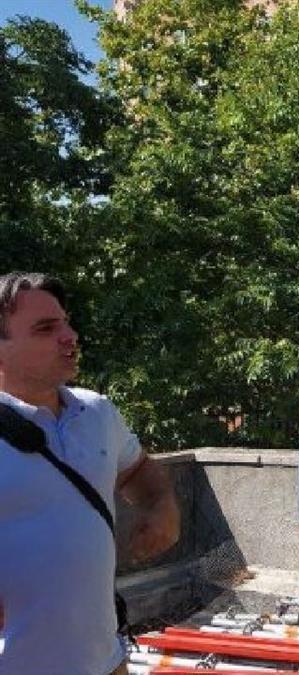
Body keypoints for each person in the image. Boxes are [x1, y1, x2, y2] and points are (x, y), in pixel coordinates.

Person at [0, 272, 181, 675]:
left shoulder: (97, 412)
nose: (70, 335)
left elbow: (140, 474)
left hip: (107, 661)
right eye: (46, 328)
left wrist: (162, 508)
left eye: (66, 322)